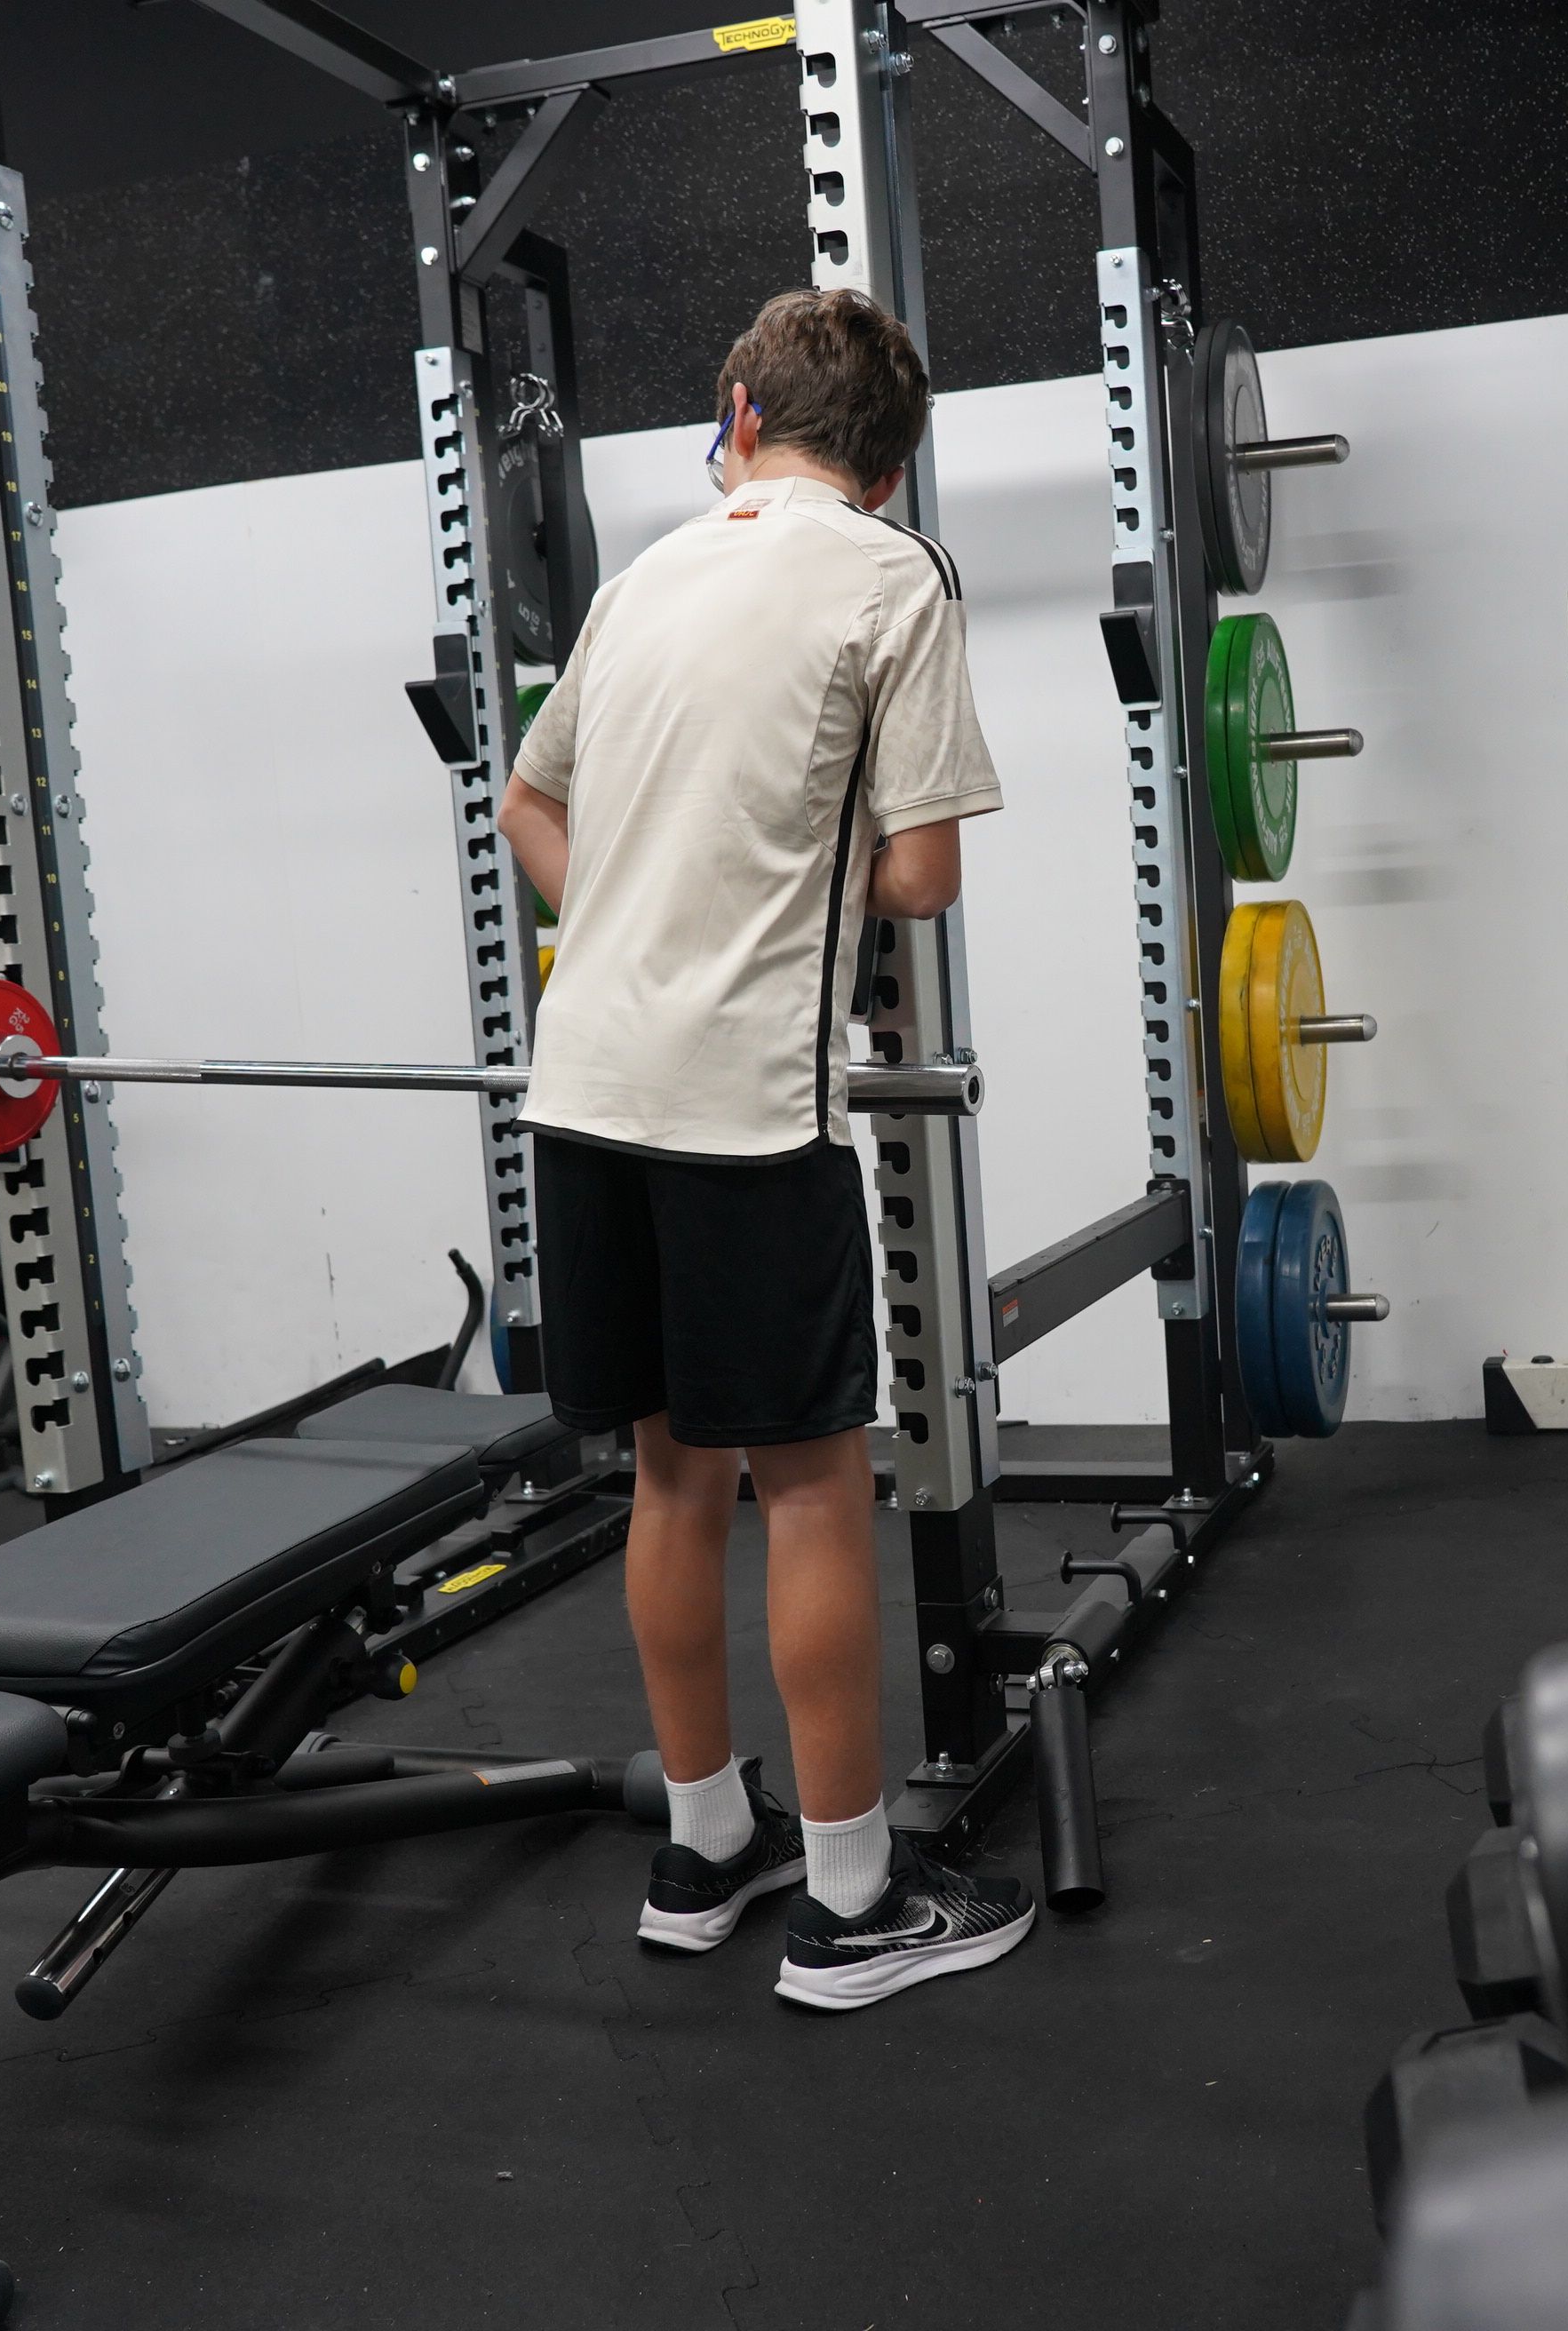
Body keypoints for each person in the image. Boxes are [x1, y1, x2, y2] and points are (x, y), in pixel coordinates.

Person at [495, 289, 1033, 2010]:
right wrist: (768, 893)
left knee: (671, 1475)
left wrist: (649, 900)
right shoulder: (893, 577)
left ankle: (708, 1843)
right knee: (807, 1485)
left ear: (738, 409)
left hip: (581, 1093)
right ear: (890, 467)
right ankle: (855, 1898)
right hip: (741, 1106)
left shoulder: (646, 572)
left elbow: (531, 797)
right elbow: (927, 872)